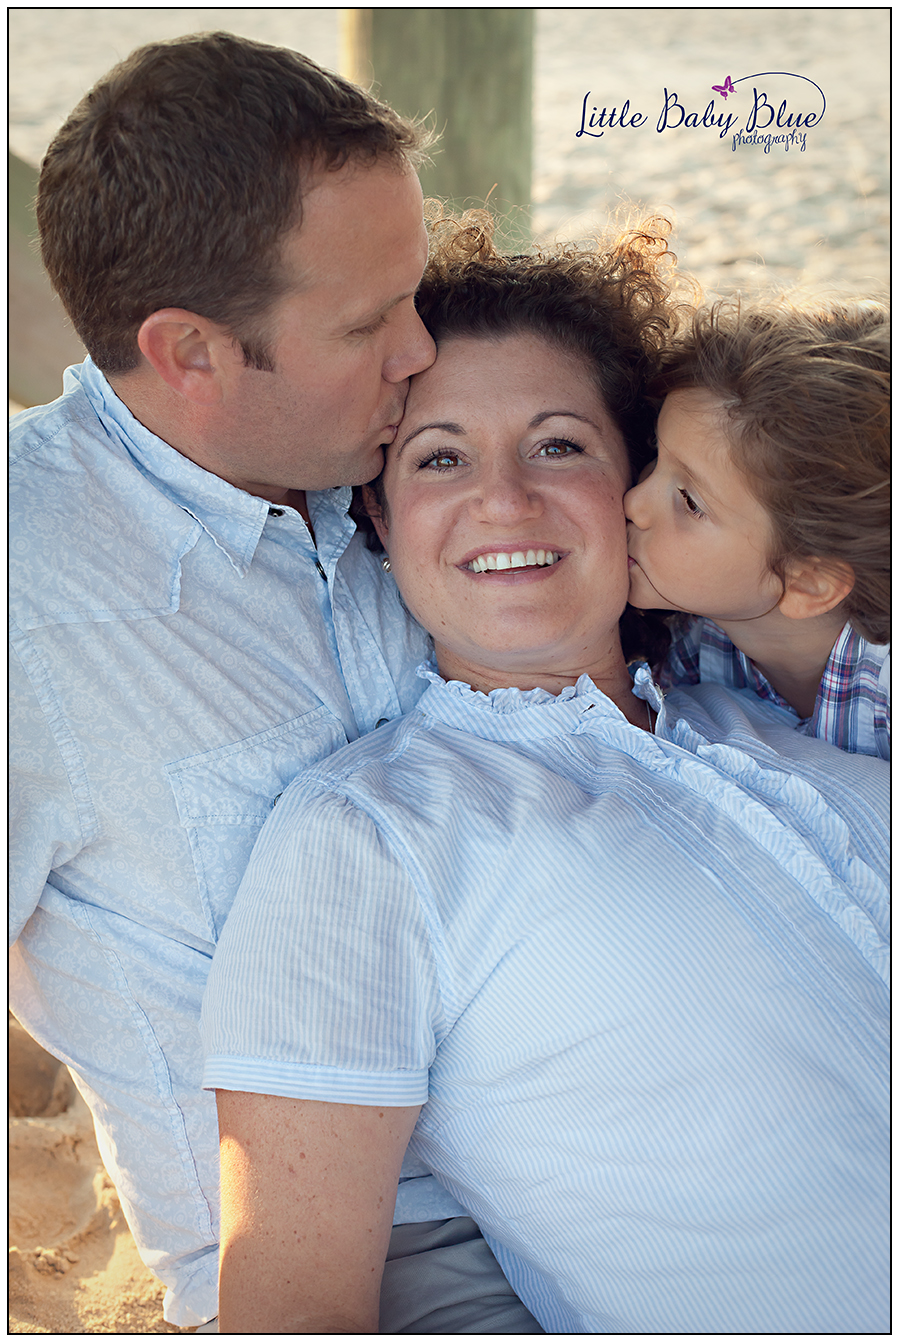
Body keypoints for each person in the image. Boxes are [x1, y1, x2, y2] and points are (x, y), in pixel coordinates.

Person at [202, 222, 889, 1334]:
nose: (506, 499)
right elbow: (288, 1300)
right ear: (379, 512)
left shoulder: (778, 705)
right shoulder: (369, 837)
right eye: (440, 458)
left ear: (636, 482)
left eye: (559, 445)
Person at [8, 31, 525, 1331]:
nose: (421, 349)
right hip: (366, 1256)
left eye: (414, 292)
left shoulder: (413, 455)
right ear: (190, 352)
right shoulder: (25, 600)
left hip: (597, 1146)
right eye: (366, 324)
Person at [625, 298, 890, 757]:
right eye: (656, 451)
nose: (633, 501)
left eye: (689, 502)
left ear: (808, 582)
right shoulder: (692, 649)